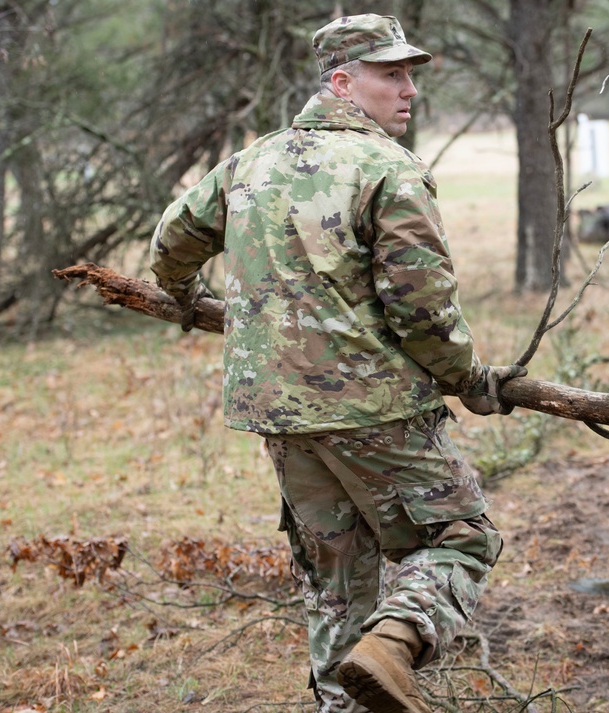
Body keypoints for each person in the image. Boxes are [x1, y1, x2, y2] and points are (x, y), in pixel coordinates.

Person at [149, 13, 525, 713]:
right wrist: (471, 381)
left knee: (334, 578)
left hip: (280, 413)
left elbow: (172, 238)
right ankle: (395, 643)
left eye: (410, 74)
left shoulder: (250, 162)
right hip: (373, 408)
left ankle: (343, 703)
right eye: (392, 75)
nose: (409, 89)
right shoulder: (389, 169)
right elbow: (422, 310)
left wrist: (182, 297)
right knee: (461, 537)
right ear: (344, 84)